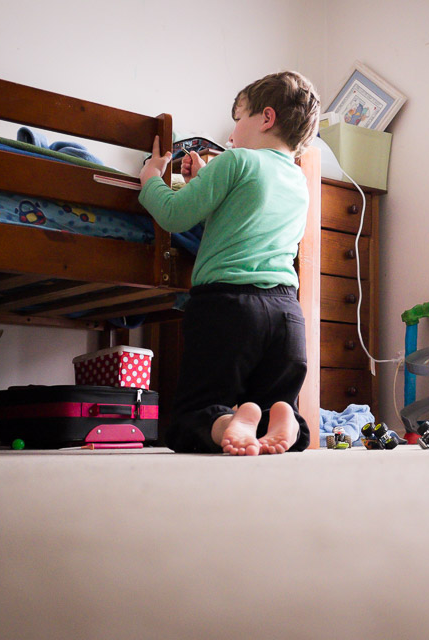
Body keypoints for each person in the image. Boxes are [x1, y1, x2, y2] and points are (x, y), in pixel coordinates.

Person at [137, 71, 320, 456]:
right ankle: (281, 416)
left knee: (191, 416)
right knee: (267, 401)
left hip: (228, 309)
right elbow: (240, 220)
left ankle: (223, 422)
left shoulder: (236, 160)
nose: (233, 133)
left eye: (239, 118)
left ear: (266, 118)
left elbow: (172, 214)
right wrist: (205, 182)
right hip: (286, 314)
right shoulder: (298, 180)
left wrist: (151, 178)